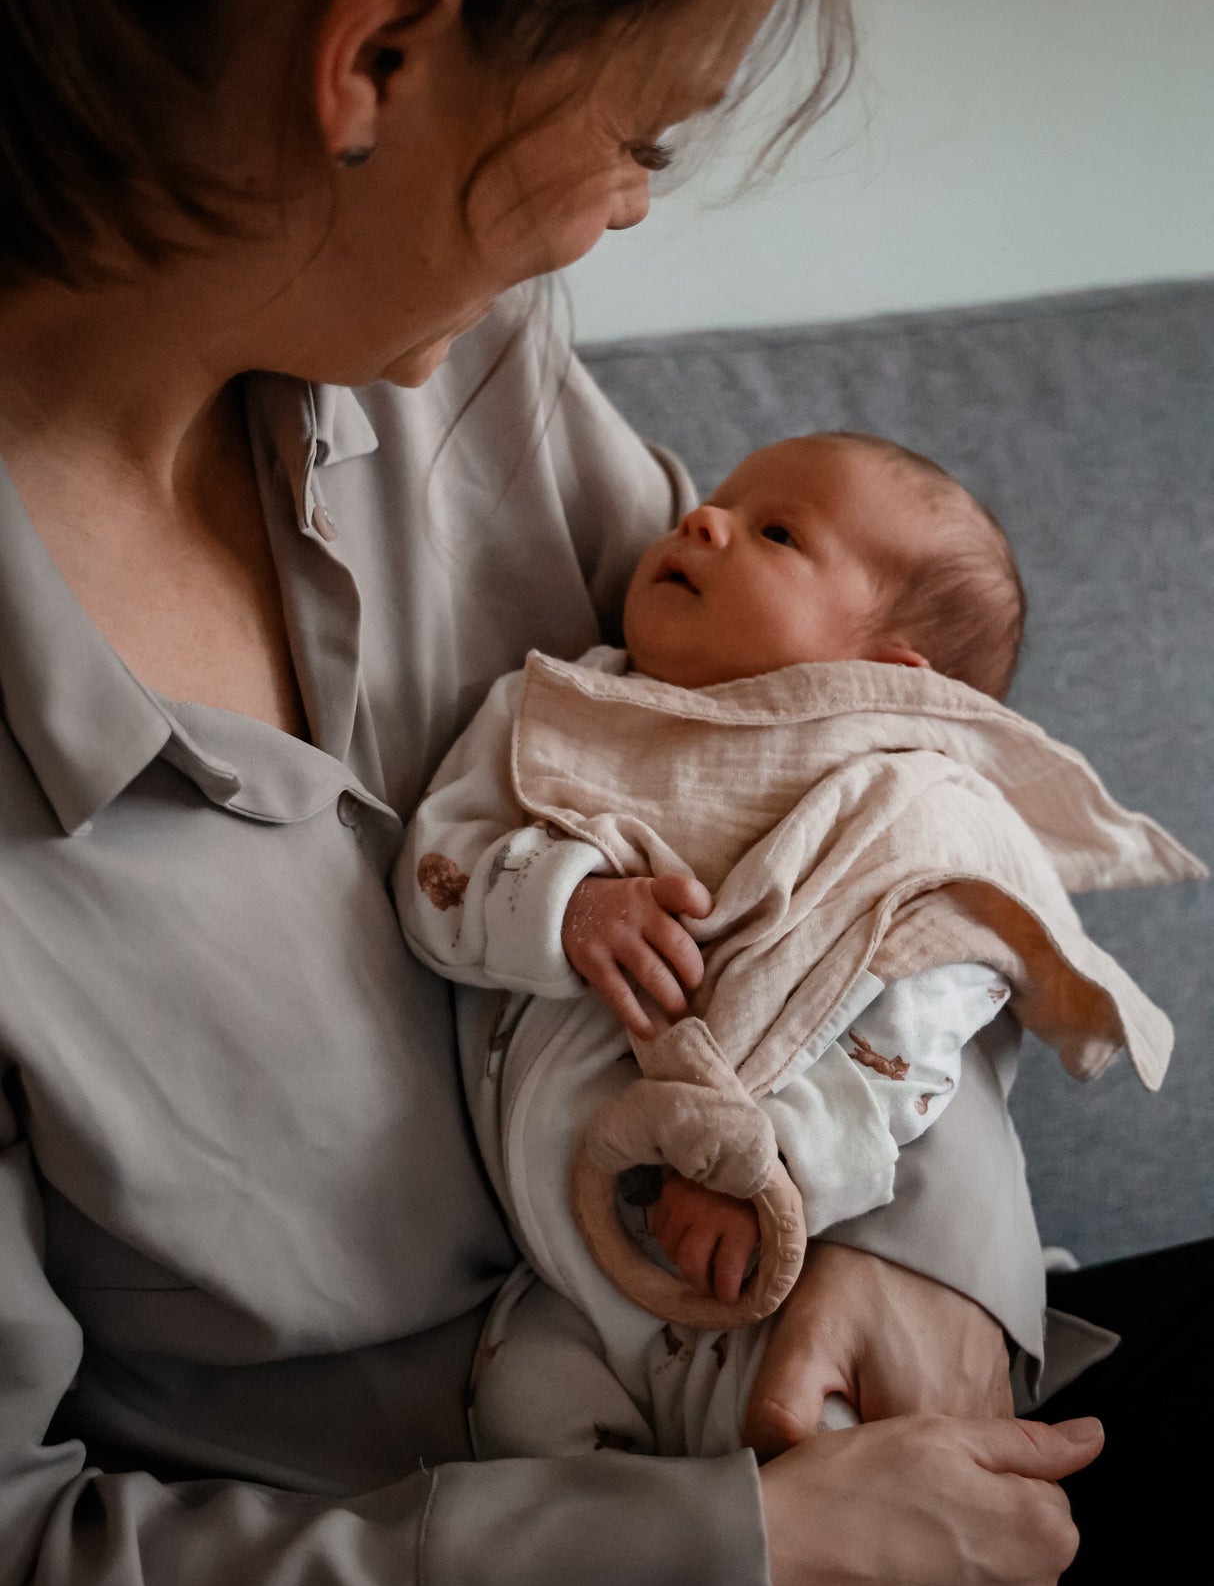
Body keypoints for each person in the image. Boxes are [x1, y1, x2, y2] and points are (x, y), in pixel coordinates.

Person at [0, 0, 1114, 1586]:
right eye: (644, 139)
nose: (617, 215)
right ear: (379, 58)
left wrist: (923, 1248)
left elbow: (847, 781)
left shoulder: (459, 371)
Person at [399, 430, 1198, 1461]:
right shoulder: (559, 712)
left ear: (886, 676)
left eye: (774, 531)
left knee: (837, 1445)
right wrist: (567, 904)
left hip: (793, 1260)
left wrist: (774, 1163)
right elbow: (437, 873)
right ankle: (675, 1576)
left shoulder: (904, 799)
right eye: (717, 501)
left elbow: (921, 1020)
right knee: (522, 1418)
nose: (700, 518)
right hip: (564, 1272)